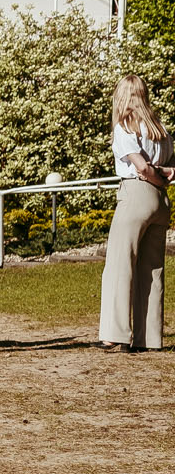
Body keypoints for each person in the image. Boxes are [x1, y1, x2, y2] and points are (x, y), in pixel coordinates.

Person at [100, 73, 171, 352]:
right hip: (160, 202)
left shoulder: (125, 127)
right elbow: (171, 167)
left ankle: (115, 334)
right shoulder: (160, 129)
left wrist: (154, 177)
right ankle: (149, 338)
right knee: (152, 270)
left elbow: (140, 166)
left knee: (120, 264)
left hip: (136, 193)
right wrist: (163, 177)